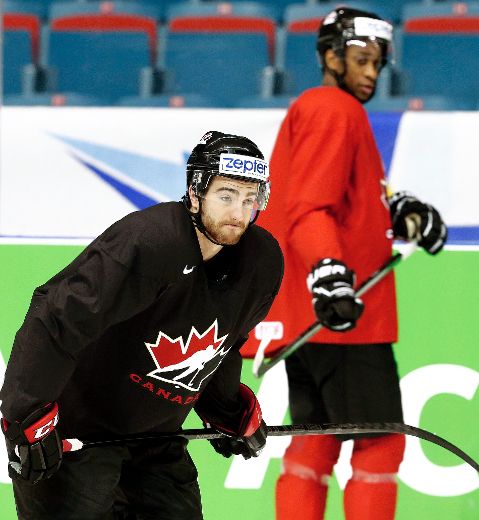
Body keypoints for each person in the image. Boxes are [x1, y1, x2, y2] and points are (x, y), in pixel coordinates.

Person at [0, 130, 284, 519]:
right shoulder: (152, 241)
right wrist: (25, 416)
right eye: (226, 195)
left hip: (156, 441)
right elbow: (55, 318)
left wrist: (228, 410)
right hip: (79, 435)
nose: (239, 213)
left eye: (250, 199)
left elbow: (221, 348)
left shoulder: (261, 262)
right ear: (196, 192)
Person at [256, 8, 448, 520]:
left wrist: (398, 210)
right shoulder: (333, 108)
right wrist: (330, 273)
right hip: (346, 317)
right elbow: (309, 208)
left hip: (316, 316)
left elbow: (337, 199)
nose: (370, 72)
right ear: (329, 56)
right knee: (381, 446)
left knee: (315, 443)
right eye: (361, 59)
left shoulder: (322, 108)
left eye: (377, 63)